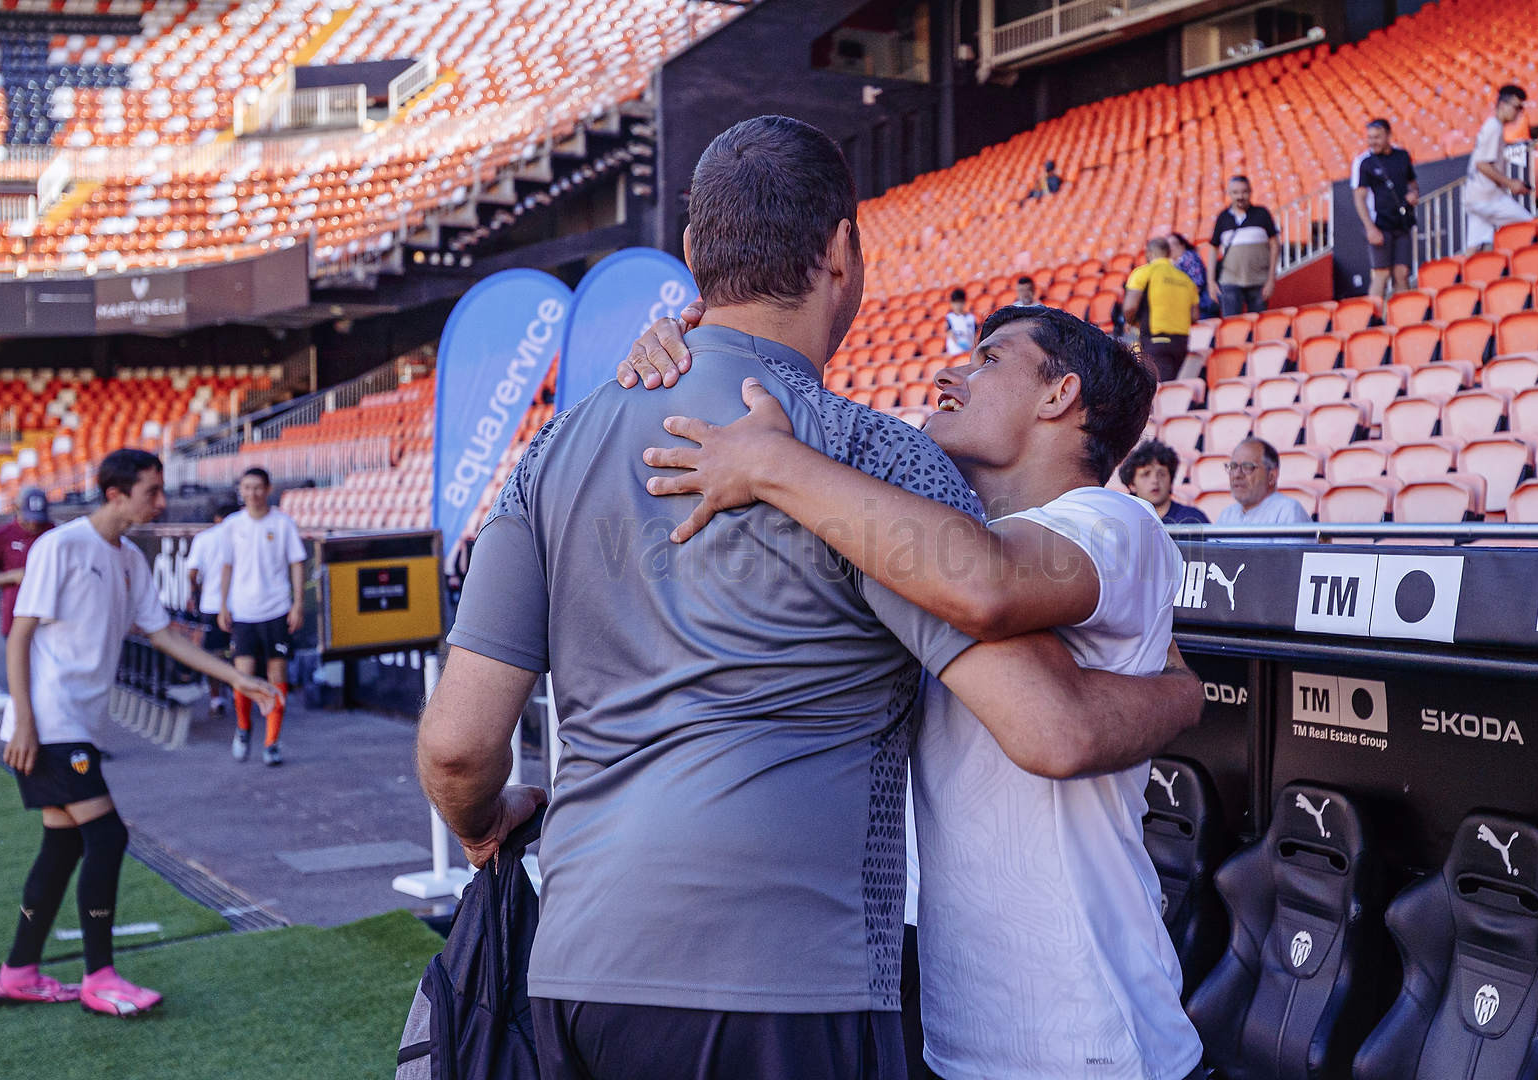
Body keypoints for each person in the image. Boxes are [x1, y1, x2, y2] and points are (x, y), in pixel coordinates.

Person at [419, 115, 1199, 1080]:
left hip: (578, 964)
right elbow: (1046, 718)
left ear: (693, 254)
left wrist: (482, 823)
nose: (956, 372)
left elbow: (456, 746)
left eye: (990, 359)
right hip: (795, 977)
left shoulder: (552, 447)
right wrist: (1185, 692)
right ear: (841, 253)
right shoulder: (878, 460)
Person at [622, 303, 1207, 1080]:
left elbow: (988, 585)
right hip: (961, 1037)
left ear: (1059, 395)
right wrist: (698, 352)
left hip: (1094, 1034)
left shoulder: (1115, 520)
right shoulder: (931, 539)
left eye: (988, 359)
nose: (947, 372)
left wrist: (771, 464)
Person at [0, 449, 276, 1015]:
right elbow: (20, 635)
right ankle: (99, 978)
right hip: (49, 724)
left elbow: (163, 636)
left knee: (63, 845)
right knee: (107, 837)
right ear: (115, 494)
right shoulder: (61, 546)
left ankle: (18, 973)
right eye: (151, 491)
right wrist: (23, 721)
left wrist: (237, 679)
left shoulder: (128, 560)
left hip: (78, 727)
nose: (161, 502)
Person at [215, 468, 305, 766]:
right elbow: (226, 566)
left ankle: (272, 742)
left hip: (276, 609)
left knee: (277, 675)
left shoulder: (282, 523)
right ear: (241, 490)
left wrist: (298, 604)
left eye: (257, 487)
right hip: (243, 611)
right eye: (246, 487)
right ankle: (243, 728)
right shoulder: (232, 525)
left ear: (268, 489)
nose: (252, 493)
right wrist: (223, 605)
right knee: (243, 675)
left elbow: (296, 563)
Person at [1353, 119, 1418, 299]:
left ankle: (1403, 314)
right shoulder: (1365, 163)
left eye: (1377, 137)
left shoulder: (1402, 156)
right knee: (1381, 274)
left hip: (1402, 223)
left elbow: (1412, 183)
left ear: (1388, 136)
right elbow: (1359, 197)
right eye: (1370, 138)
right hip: (1379, 224)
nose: (1372, 142)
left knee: (1402, 273)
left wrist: (1413, 194)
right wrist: (1370, 228)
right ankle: (1373, 315)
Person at [1463, 85, 1533, 251]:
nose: (1519, 112)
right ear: (1502, 105)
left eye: (1521, 108)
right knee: (1531, 225)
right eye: (1516, 107)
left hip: (1475, 196)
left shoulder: (1493, 126)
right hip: (1487, 198)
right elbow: (1482, 164)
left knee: (1475, 250)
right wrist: (1510, 183)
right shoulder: (1494, 127)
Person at [0, 486, 55, 637]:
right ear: (17, 509)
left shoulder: (54, 532)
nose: (34, 524)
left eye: (38, 519)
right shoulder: (1, 535)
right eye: (29, 518)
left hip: (49, 616)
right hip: (15, 616)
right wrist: (14, 576)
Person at [184, 502, 238, 715]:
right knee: (240, 653)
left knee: (214, 653)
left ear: (216, 518)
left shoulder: (204, 538)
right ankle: (239, 694)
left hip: (212, 604)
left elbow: (192, 573)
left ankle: (217, 699)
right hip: (243, 605)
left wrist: (195, 591)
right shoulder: (242, 536)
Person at [1123, 236, 1198, 383]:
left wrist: (1131, 322)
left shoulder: (1143, 272)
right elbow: (1194, 315)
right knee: (1173, 386)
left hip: (1156, 340)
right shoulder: (1186, 279)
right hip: (1181, 343)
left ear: (1149, 253)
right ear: (1169, 253)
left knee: (1161, 390)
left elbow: (1130, 307)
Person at [1208, 175, 1280, 316]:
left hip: (1259, 281)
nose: (1240, 196)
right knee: (1232, 324)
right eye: (1235, 192)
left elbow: (1275, 245)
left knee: (1259, 323)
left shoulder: (1262, 214)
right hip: (1230, 281)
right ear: (1229, 194)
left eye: (1244, 192)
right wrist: (1211, 281)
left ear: (1250, 192)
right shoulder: (1223, 217)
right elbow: (1213, 248)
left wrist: (1271, 279)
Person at [1216, 436, 1310, 538]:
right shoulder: (1227, 515)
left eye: (1247, 467)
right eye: (1233, 467)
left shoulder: (1287, 511)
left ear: (1271, 477)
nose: (1237, 475)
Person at [1121, 440, 1208, 524]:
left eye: (1162, 474)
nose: (1155, 480)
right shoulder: (1123, 520)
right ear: (1132, 484)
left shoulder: (1192, 519)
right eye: (1146, 474)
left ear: (1171, 480)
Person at [1167, 232, 1212, 318]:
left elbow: (1197, 285)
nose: (1171, 248)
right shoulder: (1171, 263)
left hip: (1200, 306)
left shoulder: (1190, 258)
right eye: (1168, 245)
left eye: (1173, 244)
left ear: (1182, 245)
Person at [944, 288, 978, 356]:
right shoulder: (950, 317)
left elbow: (976, 334)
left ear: (964, 302)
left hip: (970, 352)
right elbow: (949, 333)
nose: (957, 306)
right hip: (955, 352)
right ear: (951, 303)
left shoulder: (971, 318)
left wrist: (972, 347)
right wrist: (960, 344)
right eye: (955, 303)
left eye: (959, 302)